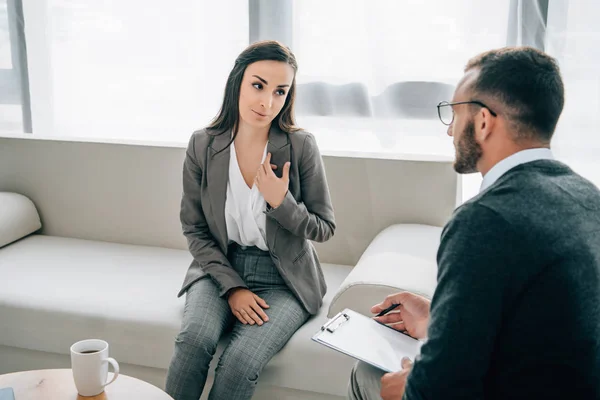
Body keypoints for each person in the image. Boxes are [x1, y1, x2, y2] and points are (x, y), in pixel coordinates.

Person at [348, 46, 600, 400]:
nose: (450, 130)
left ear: (483, 121)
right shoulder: (588, 196)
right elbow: (540, 327)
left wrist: (411, 387)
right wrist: (439, 319)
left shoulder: (484, 219)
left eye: (454, 113)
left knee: (369, 376)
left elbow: (441, 389)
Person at [165, 40, 335, 400]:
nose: (266, 102)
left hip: (283, 280)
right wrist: (233, 287)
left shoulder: (301, 145)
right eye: (258, 85)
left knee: (241, 361)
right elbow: (194, 229)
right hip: (218, 268)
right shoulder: (202, 144)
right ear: (237, 83)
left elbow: (323, 227)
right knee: (194, 341)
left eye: (280, 91)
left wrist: (281, 202)